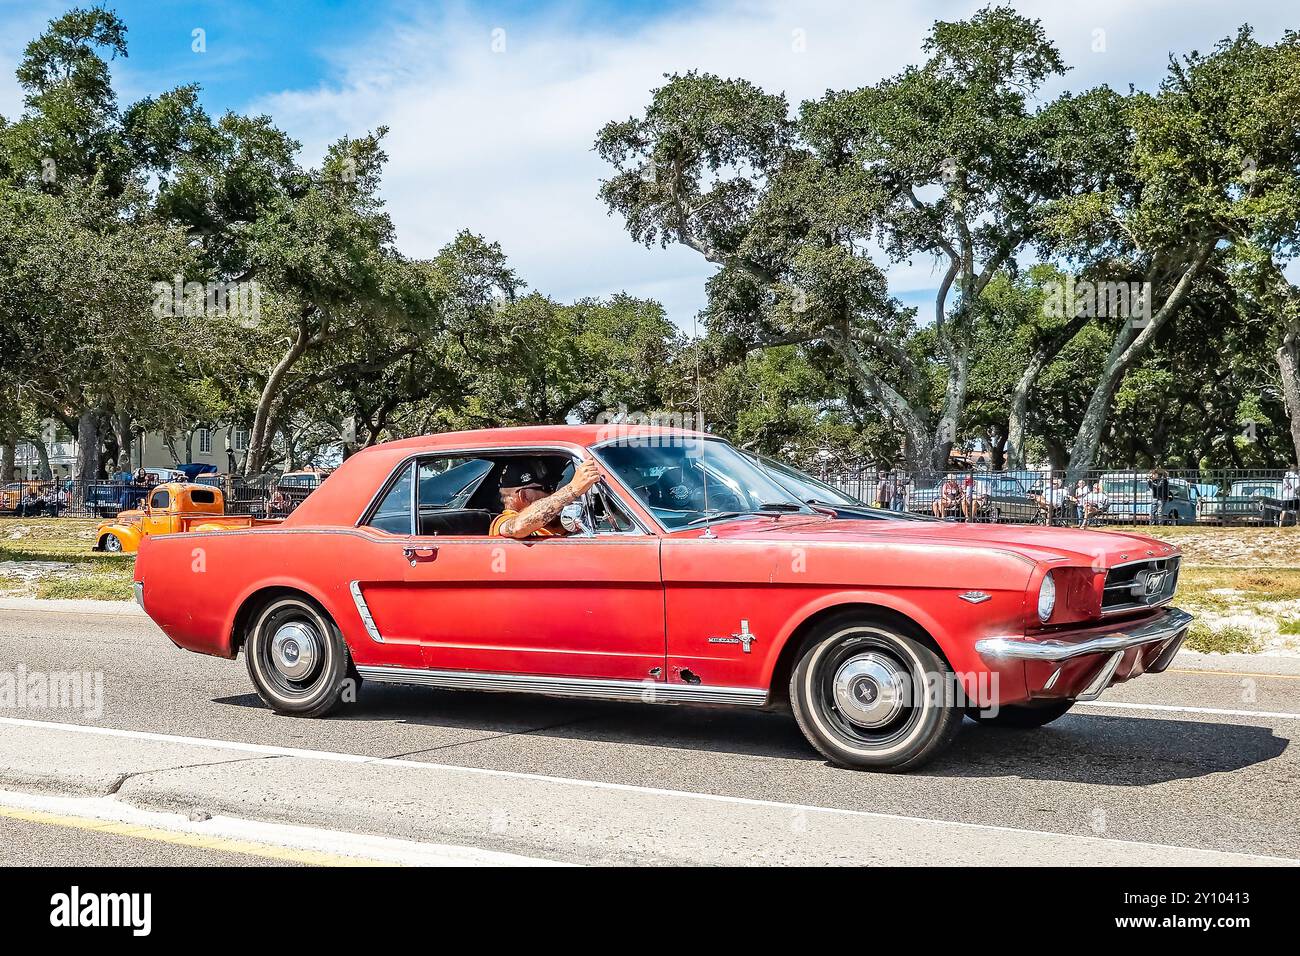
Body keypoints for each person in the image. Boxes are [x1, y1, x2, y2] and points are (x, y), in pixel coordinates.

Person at [491, 457, 602, 538]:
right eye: (547, 488)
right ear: (523, 495)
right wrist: (572, 489)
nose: (553, 492)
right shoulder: (502, 522)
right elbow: (518, 527)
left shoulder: (558, 522)